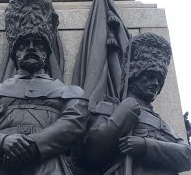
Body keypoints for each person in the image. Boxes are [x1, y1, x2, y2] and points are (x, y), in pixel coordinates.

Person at [0, 0, 89, 174]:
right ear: (14, 52)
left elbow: (74, 122)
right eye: (23, 44)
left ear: (46, 51)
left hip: (48, 167)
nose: (30, 47)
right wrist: (3, 142)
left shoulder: (69, 92)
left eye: (37, 44)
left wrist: (34, 145)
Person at [73, 33, 191, 174]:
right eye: (150, 76)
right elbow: (87, 154)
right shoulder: (109, 108)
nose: (155, 83)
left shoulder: (162, 124)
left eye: (160, 79)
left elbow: (187, 156)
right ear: (134, 75)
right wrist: (119, 119)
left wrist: (145, 146)